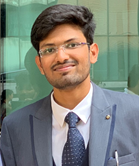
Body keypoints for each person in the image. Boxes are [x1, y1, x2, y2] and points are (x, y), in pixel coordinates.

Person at [1, 4, 139, 166]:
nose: (61, 56)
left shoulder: (134, 113)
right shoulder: (15, 127)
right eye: (49, 49)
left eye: (72, 45)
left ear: (92, 53)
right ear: (40, 64)